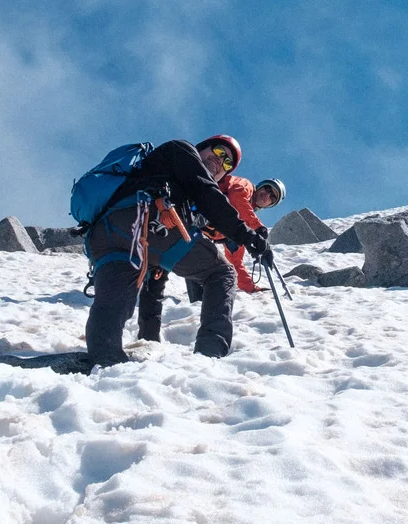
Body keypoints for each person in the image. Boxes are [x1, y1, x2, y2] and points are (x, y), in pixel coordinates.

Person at [85, 135, 271, 366]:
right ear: (201, 148)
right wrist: (247, 235)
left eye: (226, 165)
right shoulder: (181, 150)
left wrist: (231, 237)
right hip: (151, 222)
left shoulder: (176, 183)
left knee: (116, 300)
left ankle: (106, 357)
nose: (220, 162)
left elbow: (207, 217)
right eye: (219, 152)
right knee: (221, 273)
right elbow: (209, 196)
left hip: (108, 236)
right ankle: (210, 354)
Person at [136, 176, 287, 341]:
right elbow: (237, 198)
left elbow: (235, 262)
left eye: (272, 197)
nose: (267, 195)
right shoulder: (245, 187)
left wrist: (251, 288)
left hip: (187, 230)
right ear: (260, 186)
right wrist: (257, 227)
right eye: (267, 189)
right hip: (182, 214)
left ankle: (149, 335)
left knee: (160, 274)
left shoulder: (243, 225)